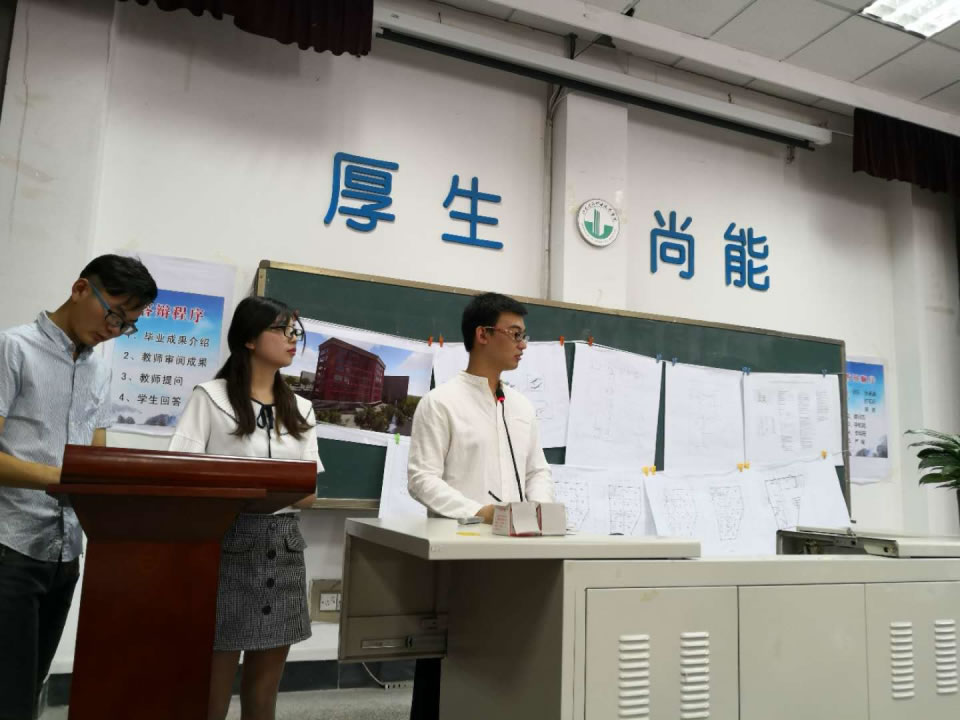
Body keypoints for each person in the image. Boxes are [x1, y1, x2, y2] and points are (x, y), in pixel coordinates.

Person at [0, 254, 157, 720]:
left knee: (30, 686)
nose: (114, 330)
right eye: (114, 314)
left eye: (127, 325)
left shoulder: (99, 369)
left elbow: (97, 457)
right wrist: (64, 478)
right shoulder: (13, 348)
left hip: (66, 550)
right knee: (7, 695)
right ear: (80, 288)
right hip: (10, 546)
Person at [169, 296, 320, 720]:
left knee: (264, 691)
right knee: (210, 688)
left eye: (295, 331)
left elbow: (309, 492)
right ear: (249, 339)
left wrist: (252, 484)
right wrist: (266, 486)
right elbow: (181, 473)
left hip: (284, 546)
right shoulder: (211, 397)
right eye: (282, 329)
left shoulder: (302, 408)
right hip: (224, 543)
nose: (292, 339)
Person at [406, 291, 554, 719]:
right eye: (515, 334)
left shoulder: (521, 405)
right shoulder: (441, 402)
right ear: (482, 335)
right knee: (448, 661)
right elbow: (421, 479)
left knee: (507, 659)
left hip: (518, 550)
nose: (522, 345)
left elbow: (538, 471)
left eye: (524, 336)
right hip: (458, 552)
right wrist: (480, 512)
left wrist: (539, 510)